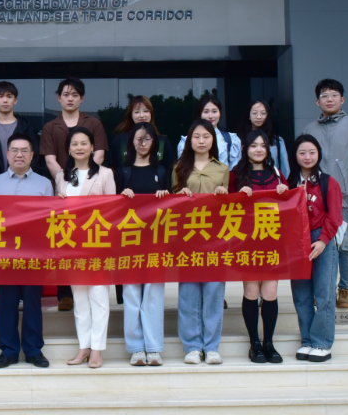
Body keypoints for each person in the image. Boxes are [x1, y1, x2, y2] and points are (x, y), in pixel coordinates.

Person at [303, 79, 348, 310]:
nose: (329, 99)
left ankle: (346, 289)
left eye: (334, 95)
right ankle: (324, 290)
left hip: (344, 197)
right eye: (324, 96)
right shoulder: (309, 130)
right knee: (319, 244)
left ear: (342, 99)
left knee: (346, 245)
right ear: (317, 101)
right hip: (315, 199)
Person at [40, 78, 108, 312]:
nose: (70, 98)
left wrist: (85, 179)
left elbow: (99, 154)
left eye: (75, 95)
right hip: (63, 191)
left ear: (82, 98)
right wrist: (66, 181)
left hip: (91, 189)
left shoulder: (94, 123)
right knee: (64, 238)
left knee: (90, 235)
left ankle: (91, 282)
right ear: (59, 98)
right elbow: (50, 159)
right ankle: (65, 293)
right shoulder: (50, 127)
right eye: (66, 94)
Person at [0, 133, 54, 369]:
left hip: (33, 252)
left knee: (32, 302)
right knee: (6, 303)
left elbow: (49, 220)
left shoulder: (44, 184)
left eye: (24, 150)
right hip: (3, 253)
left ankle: (34, 350)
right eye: (14, 150)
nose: (19, 155)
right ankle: (8, 351)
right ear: (7, 154)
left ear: (32, 155)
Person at [55, 127, 116, 369]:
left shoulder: (105, 174)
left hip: (97, 246)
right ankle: (84, 346)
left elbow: (113, 211)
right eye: (74, 143)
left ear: (92, 147)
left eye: (84, 143)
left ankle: (97, 349)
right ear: (69, 149)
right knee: (80, 300)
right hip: (72, 247)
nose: (79, 147)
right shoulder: (62, 176)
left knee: (99, 298)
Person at [172, 119, 230, 366]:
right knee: (188, 294)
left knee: (214, 292)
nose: (201, 141)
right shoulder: (179, 168)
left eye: (206, 136)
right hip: (187, 239)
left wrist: (224, 195)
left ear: (213, 140)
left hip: (215, 239)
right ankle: (192, 347)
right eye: (196, 136)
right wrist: (178, 194)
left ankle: (212, 346)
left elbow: (232, 208)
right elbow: (170, 204)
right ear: (189, 140)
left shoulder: (223, 169)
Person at [229, 130, 289, 365]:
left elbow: (290, 205)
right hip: (247, 240)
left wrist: (285, 193)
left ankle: (269, 343)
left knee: (270, 292)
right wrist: (238, 196)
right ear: (245, 149)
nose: (258, 150)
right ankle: (254, 342)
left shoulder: (277, 174)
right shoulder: (236, 174)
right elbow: (225, 206)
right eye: (253, 145)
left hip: (272, 238)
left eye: (263, 145)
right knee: (251, 291)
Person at [114, 123, 170, 367]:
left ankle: (154, 347)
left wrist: (165, 197)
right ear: (131, 142)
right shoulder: (122, 172)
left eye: (148, 139)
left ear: (154, 143)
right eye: (139, 139)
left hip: (156, 240)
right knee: (131, 294)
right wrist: (121, 197)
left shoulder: (163, 171)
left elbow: (173, 207)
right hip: (129, 241)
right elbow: (112, 208)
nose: (143, 143)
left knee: (154, 295)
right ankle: (136, 348)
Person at [289, 134, 343, 363]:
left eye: (312, 152)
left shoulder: (328, 182)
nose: (307, 157)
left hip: (321, 239)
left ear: (318, 154)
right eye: (302, 152)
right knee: (301, 295)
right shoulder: (289, 183)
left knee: (324, 294)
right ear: (295, 155)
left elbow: (335, 216)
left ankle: (322, 343)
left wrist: (322, 240)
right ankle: (308, 341)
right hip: (296, 241)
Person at [0, 81, 38, 178]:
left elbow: (34, 156)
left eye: (9, 96)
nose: (5, 100)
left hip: (22, 180)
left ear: (15, 100)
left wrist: (23, 177)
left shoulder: (25, 127)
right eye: (0, 96)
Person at [109, 95, 176, 173]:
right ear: (131, 115)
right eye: (137, 112)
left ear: (151, 113)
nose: (142, 115)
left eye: (146, 111)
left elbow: (168, 169)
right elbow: (113, 167)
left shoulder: (162, 141)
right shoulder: (120, 140)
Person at [177, 95, 241, 170]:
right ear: (200, 114)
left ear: (220, 113)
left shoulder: (231, 139)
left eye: (214, 111)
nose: (210, 116)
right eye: (206, 112)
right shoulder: (187, 141)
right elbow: (182, 169)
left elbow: (234, 170)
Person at [238, 100, 290, 179]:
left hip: (273, 183)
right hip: (247, 182)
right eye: (255, 113)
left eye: (263, 113)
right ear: (249, 116)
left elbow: (285, 170)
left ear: (268, 116)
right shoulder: (239, 140)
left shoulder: (277, 141)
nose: (259, 117)